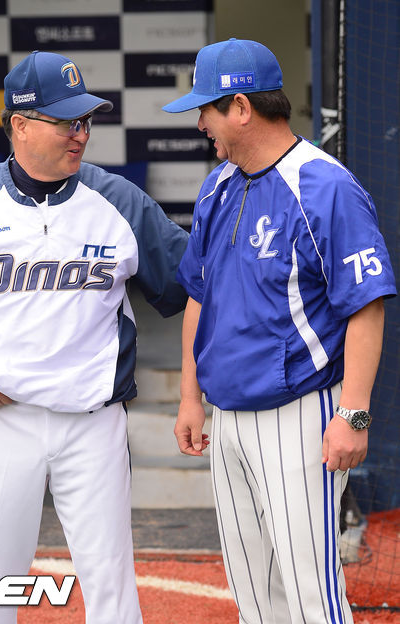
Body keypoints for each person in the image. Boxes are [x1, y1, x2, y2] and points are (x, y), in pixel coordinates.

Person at [0, 50, 189, 624]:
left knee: (110, 581)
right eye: (66, 121)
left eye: (85, 120)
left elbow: (188, 283)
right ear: (21, 124)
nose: (81, 134)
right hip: (5, 417)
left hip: (94, 421)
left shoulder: (120, 200)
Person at [163, 38, 397, 623]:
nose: (199, 123)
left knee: (311, 596)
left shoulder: (325, 185)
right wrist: (190, 396)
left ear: (241, 107)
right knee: (254, 596)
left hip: (299, 414)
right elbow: (198, 296)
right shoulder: (218, 184)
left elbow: (366, 306)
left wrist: (354, 414)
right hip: (227, 416)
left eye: (206, 109)